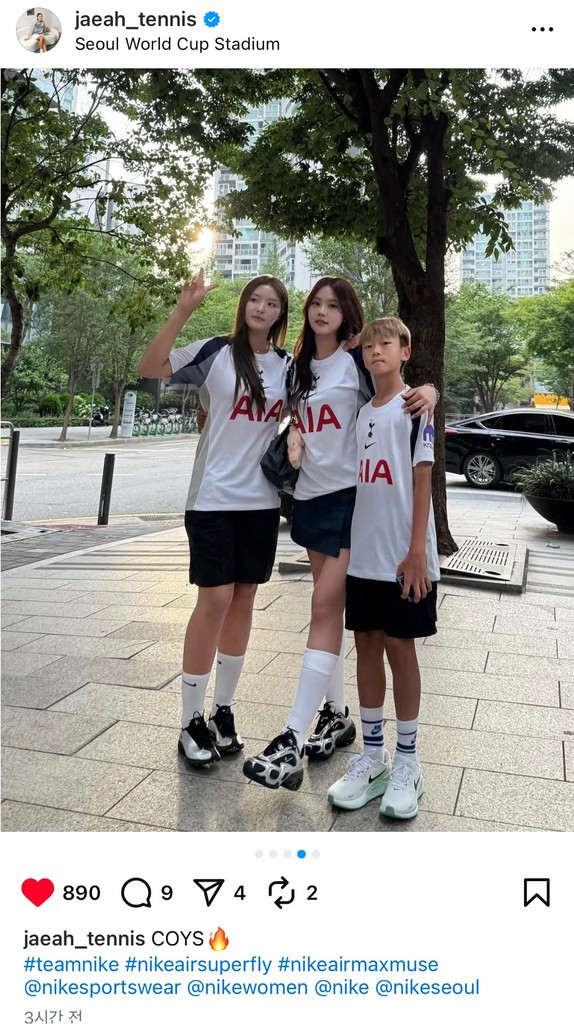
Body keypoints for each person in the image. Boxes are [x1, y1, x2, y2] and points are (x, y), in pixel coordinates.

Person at [243, 279, 437, 792]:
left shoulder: (355, 361)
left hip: (351, 501)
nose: (323, 311)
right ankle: (338, 714)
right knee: (326, 613)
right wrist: (296, 431)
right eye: (316, 303)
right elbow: (298, 415)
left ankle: (291, 738)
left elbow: (395, 391)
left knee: (325, 607)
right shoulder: (298, 368)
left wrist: (431, 392)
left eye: (334, 305)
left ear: (347, 314)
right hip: (309, 499)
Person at [138, 271, 291, 768]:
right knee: (216, 599)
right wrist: (183, 309)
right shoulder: (215, 352)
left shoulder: (288, 367)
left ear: (280, 315)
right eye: (255, 299)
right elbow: (151, 366)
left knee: (244, 598)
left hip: (262, 502)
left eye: (272, 303)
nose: (261, 308)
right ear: (244, 305)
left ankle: (222, 710)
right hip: (212, 499)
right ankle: (190, 719)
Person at [327, 317, 440, 820]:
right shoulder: (361, 413)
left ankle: (408, 762)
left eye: (386, 343)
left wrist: (416, 552)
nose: (376, 351)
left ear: (405, 352)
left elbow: (422, 480)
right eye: (369, 345)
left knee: (400, 648)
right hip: (365, 556)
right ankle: (373, 757)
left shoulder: (415, 407)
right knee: (367, 646)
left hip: (404, 557)